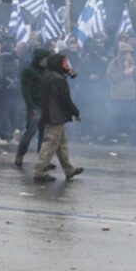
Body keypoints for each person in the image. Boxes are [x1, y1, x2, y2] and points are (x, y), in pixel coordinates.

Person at [33, 54, 84, 183]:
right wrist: (76, 113)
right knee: (50, 144)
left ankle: (69, 169)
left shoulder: (47, 75)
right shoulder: (57, 79)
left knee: (61, 145)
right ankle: (40, 172)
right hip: (55, 116)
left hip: (52, 114)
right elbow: (65, 99)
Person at [14, 48, 49, 167]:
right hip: (35, 106)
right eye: (44, 59)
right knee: (30, 131)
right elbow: (26, 91)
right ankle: (19, 156)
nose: (46, 61)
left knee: (44, 134)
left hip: (45, 105)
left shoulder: (46, 71)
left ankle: (43, 160)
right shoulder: (28, 71)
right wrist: (31, 106)